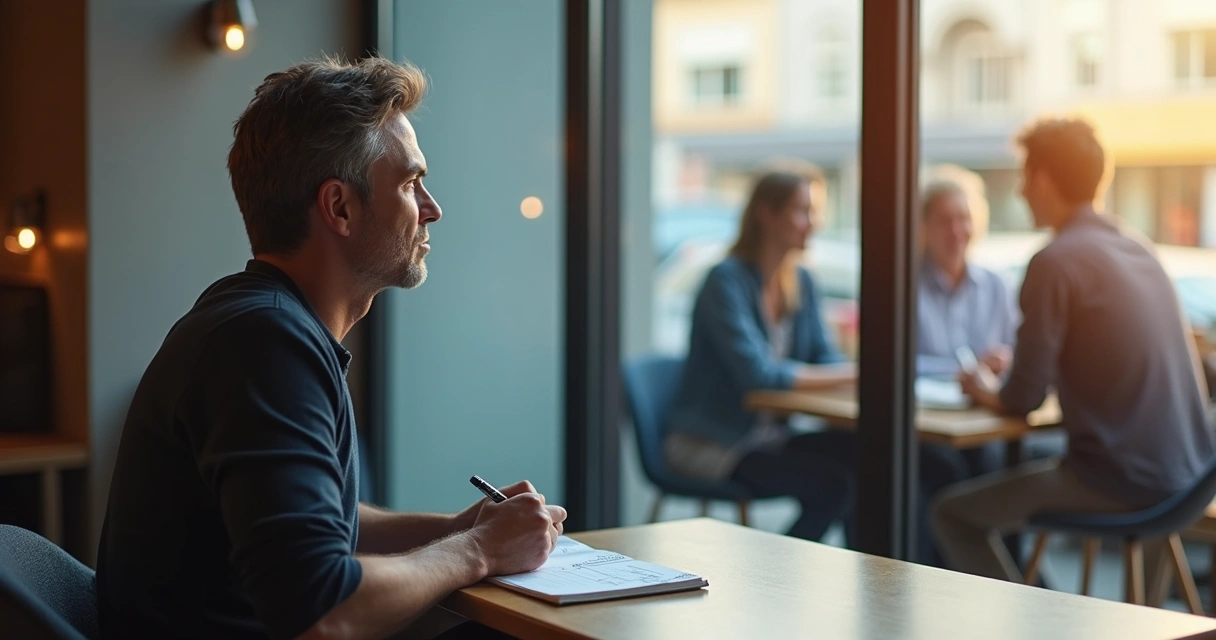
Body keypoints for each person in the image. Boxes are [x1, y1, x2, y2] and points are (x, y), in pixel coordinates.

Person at [96, 56, 564, 640]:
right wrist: (478, 550)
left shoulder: (251, 320)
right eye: (410, 184)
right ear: (339, 207)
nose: (432, 208)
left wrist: (462, 527)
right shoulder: (264, 346)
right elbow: (321, 610)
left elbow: (313, 523)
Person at [933, 118, 1216, 593]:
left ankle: (1030, 622)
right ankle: (1137, 617)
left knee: (950, 514)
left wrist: (984, 389)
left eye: (1025, 178)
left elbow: (1021, 399)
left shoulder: (1055, 261)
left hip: (1122, 482)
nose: (1021, 191)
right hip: (1188, 478)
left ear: (1043, 180)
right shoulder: (1139, 249)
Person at [665, 168, 967, 563]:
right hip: (715, 443)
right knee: (836, 486)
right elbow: (759, 375)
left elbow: (825, 356)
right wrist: (862, 372)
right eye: (802, 211)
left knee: (910, 462)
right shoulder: (725, 281)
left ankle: (888, 576)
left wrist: (852, 369)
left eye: (814, 211)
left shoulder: (800, 282)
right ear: (766, 214)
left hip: (770, 436)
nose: (814, 222)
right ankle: (773, 576)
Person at [916, 174, 1019, 477]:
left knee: (999, 462)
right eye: (944, 221)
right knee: (951, 468)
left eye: (964, 219)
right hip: (927, 424)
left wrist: (1005, 361)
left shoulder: (997, 286)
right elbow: (896, 367)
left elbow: (1018, 352)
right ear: (923, 227)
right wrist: (967, 372)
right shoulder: (905, 287)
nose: (956, 231)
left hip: (984, 418)